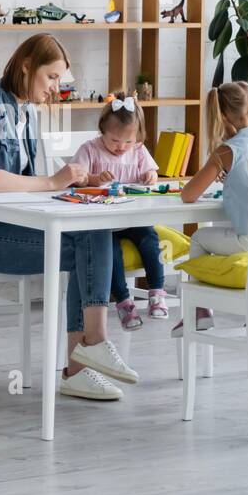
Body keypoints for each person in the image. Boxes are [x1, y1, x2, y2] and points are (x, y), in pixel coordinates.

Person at [0, 34, 139, 401]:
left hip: (11, 228)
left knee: (91, 228)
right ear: (26, 66)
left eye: (60, 81)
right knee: (88, 246)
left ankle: (88, 354)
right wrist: (52, 180)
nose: (55, 89)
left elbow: (27, 186)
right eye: (51, 78)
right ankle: (84, 359)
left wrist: (79, 183)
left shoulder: (25, 112)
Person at [173, 80, 248, 335]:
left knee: (199, 237)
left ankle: (200, 312)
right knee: (241, 238)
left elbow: (188, 195)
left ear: (223, 115)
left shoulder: (228, 151)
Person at [72, 92, 168, 327]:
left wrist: (150, 175)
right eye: (115, 141)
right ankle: (124, 302)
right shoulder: (90, 149)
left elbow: (153, 174)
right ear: (102, 130)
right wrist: (94, 178)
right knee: (109, 251)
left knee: (150, 238)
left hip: (132, 218)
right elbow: (76, 179)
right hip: (102, 223)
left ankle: (157, 291)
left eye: (128, 141)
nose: (121, 147)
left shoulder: (138, 150)